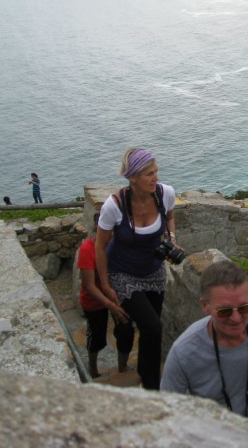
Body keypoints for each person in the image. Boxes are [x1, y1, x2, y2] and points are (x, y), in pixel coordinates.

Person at [161, 260, 248, 448]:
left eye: (244, 308)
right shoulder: (184, 353)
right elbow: (169, 415)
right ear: (205, 306)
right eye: (225, 311)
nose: (236, 318)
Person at [95, 147, 181, 390]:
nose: (155, 178)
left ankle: (145, 371)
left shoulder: (165, 194)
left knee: (150, 329)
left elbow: (171, 217)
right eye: (148, 174)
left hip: (153, 269)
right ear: (132, 178)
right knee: (154, 327)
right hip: (122, 272)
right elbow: (100, 248)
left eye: (156, 172)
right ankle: (152, 385)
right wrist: (105, 285)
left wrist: (171, 239)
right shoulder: (115, 206)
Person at [78, 214, 133, 378]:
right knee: (97, 336)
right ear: (97, 228)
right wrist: (111, 306)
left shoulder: (118, 246)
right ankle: (93, 370)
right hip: (94, 301)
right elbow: (89, 286)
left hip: (116, 295)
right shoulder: (87, 250)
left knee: (126, 331)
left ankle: (122, 367)